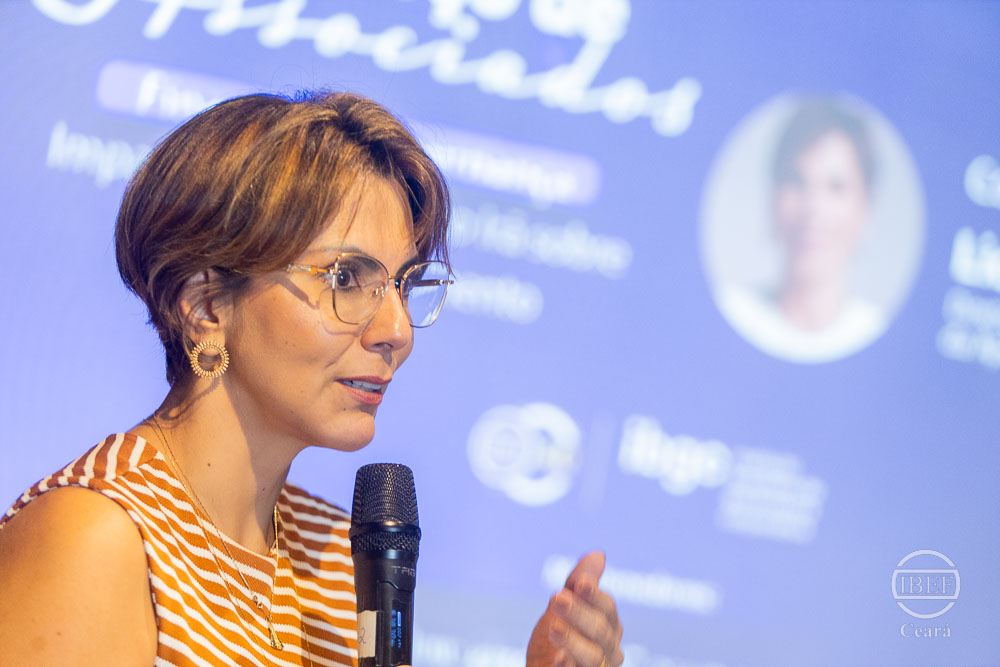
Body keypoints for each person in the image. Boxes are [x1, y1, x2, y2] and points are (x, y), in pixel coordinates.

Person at [0, 91, 624, 666]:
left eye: (403, 286)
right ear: (207, 304)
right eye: (346, 279)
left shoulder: (334, 557)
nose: (397, 330)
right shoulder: (95, 539)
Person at [718, 99, 887, 363]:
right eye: (797, 181)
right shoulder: (735, 310)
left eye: (836, 187)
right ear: (774, 197)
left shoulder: (876, 333)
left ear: (864, 207)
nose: (813, 209)